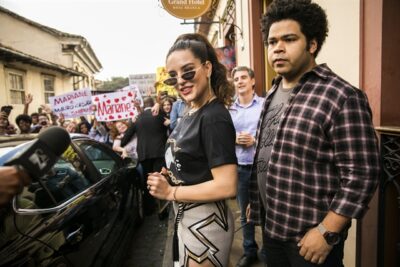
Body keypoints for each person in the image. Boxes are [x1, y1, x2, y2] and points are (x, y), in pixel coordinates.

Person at [248, 1, 381, 266]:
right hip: (272, 228)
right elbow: (270, 150)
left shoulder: (341, 96)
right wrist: (258, 199)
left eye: (289, 39)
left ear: (312, 44)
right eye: (272, 41)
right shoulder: (273, 91)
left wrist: (327, 231)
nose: (278, 48)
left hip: (311, 239)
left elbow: (363, 173)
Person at [147, 33, 238, 267]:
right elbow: (193, 159)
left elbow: (226, 184)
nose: (181, 81)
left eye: (188, 72)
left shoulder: (213, 117)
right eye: (173, 77)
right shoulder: (190, 111)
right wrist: (172, 173)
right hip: (186, 218)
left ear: (207, 68)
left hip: (205, 224)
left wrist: (170, 193)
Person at [229, 66, 264, 267]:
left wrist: (255, 140)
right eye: (236, 79)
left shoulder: (264, 105)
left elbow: (273, 132)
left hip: (262, 167)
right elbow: (223, 136)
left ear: (252, 81)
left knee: (268, 209)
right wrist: (234, 138)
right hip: (241, 168)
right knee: (245, 213)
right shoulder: (229, 110)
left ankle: (269, 250)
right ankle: (250, 250)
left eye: (243, 77)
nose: (240, 81)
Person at [121, 96, 168, 215]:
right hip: (159, 152)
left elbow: (125, 139)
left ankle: (148, 209)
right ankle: (162, 211)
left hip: (144, 154)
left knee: (149, 182)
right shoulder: (159, 114)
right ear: (153, 105)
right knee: (160, 180)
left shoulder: (137, 119)